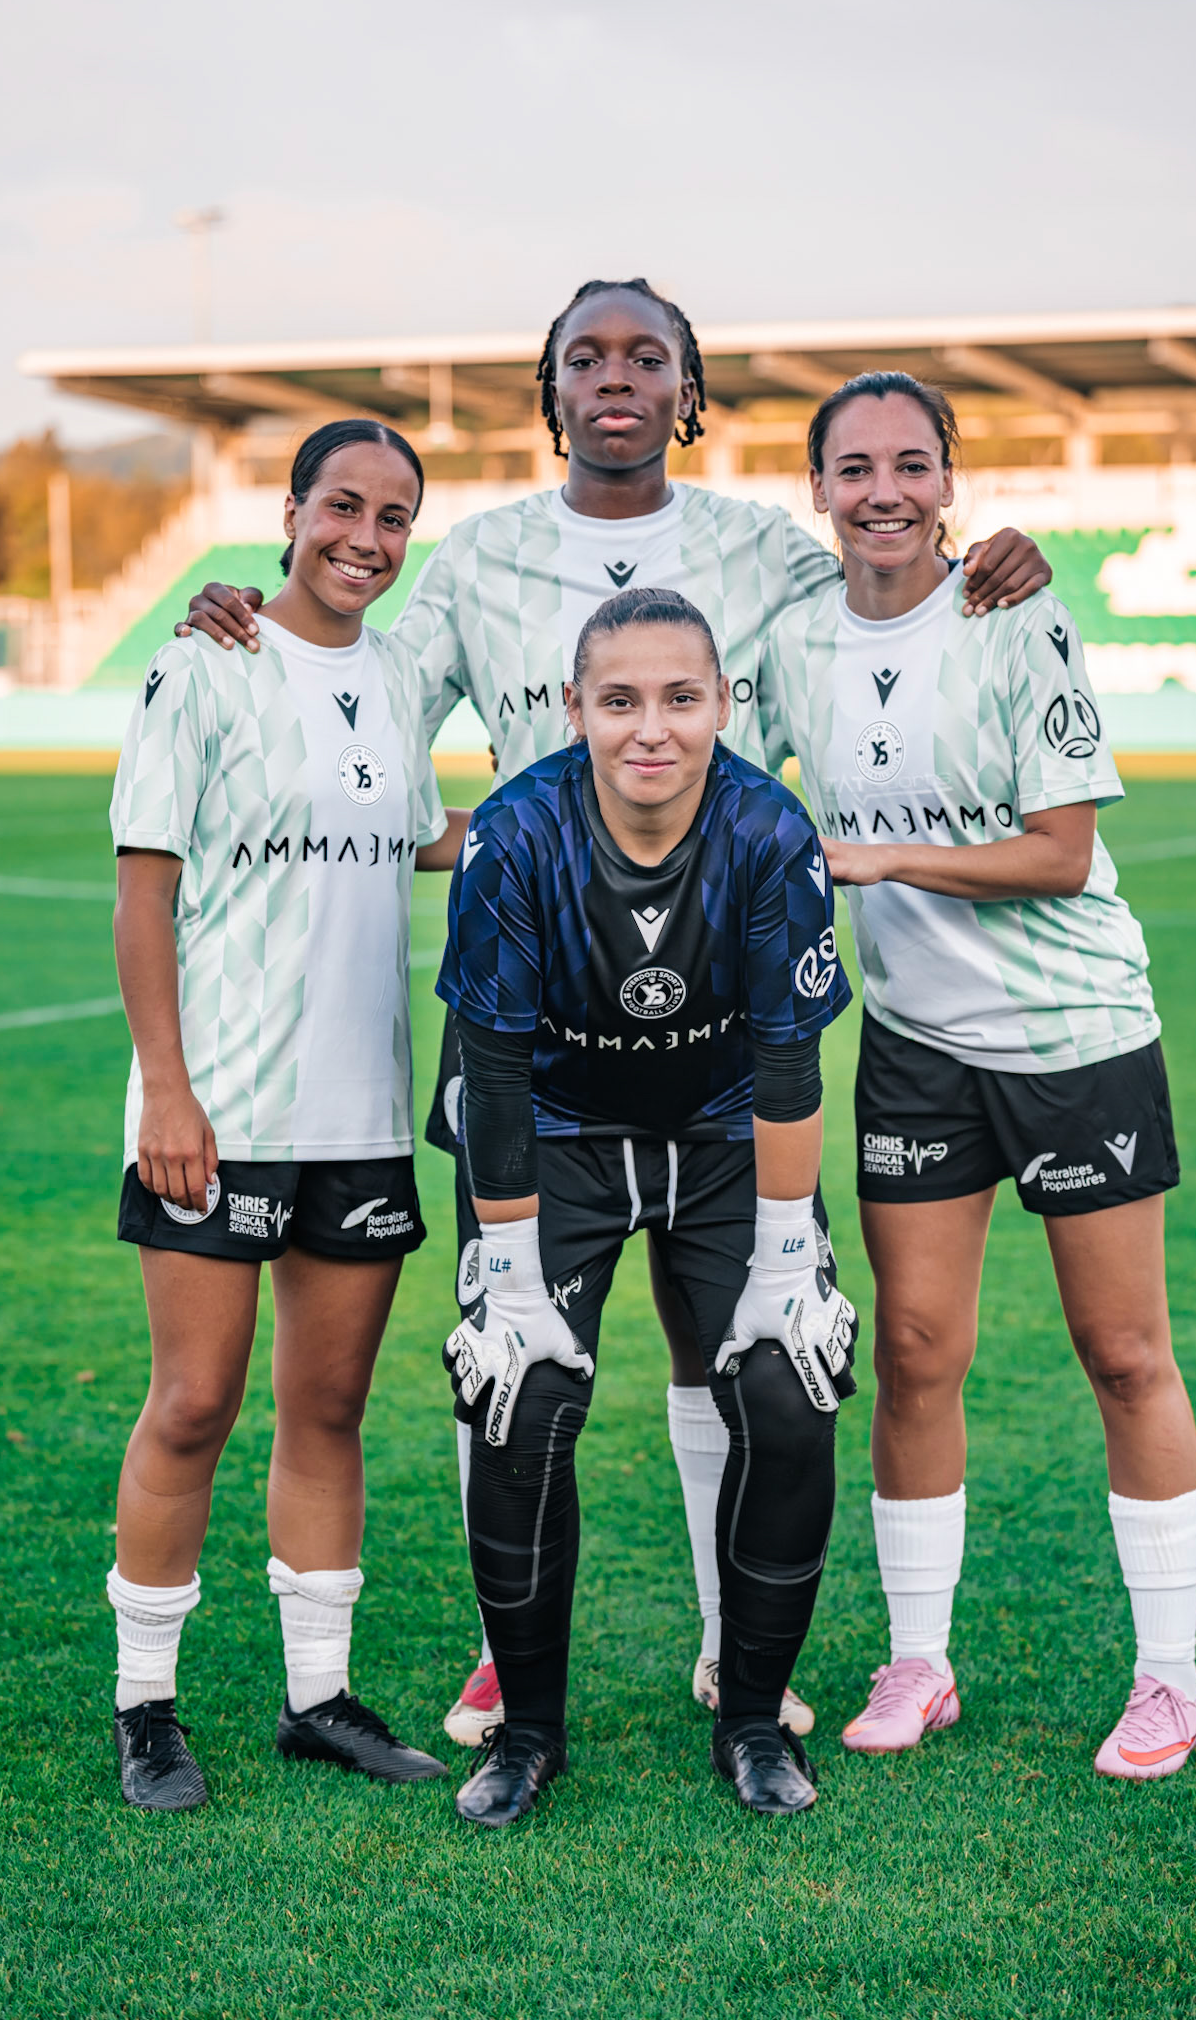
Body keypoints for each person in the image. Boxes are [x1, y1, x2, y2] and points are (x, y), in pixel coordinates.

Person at [177, 277, 1052, 1746]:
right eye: (586, 357)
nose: (618, 378)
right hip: (534, 1008)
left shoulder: (759, 546)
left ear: (688, 389)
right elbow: (368, 688)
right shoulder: (482, 556)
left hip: (717, 1004)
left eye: (650, 356)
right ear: (553, 390)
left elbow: (882, 582)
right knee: (510, 1345)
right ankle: (500, 1655)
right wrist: (252, 619)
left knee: (728, 1345)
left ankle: (726, 1642)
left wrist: (985, 559)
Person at [760, 371, 1196, 1780]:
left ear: (948, 482)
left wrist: (879, 857)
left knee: (1124, 1353)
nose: (882, 491)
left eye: (910, 464)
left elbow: (1062, 853)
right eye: (854, 468)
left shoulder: (1018, 618)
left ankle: (1168, 1679)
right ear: (818, 490)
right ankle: (919, 1660)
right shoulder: (791, 641)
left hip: (1076, 1034)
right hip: (916, 1048)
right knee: (912, 1352)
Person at [435, 586, 858, 1825]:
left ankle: (752, 1717)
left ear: (725, 702)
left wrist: (787, 1259)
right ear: (574, 709)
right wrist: (511, 1281)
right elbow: (492, 1073)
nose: (651, 727)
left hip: (725, 1128)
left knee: (790, 1384)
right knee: (519, 1395)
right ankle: (527, 1731)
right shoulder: (516, 831)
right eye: (619, 700)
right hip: (552, 1130)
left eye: (681, 697)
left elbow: (788, 1063)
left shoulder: (769, 829)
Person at [107, 419, 469, 1810]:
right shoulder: (205, 662)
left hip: (360, 1112)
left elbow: (420, 833)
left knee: (327, 1405)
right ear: (293, 510)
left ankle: (318, 1698)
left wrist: (586, 802)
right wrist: (168, 1087)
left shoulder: (399, 678)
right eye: (342, 506)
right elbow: (145, 892)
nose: (365, 538)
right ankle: (147, 1708)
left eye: (393, 516)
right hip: (221, 1105)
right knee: (194, 1401)